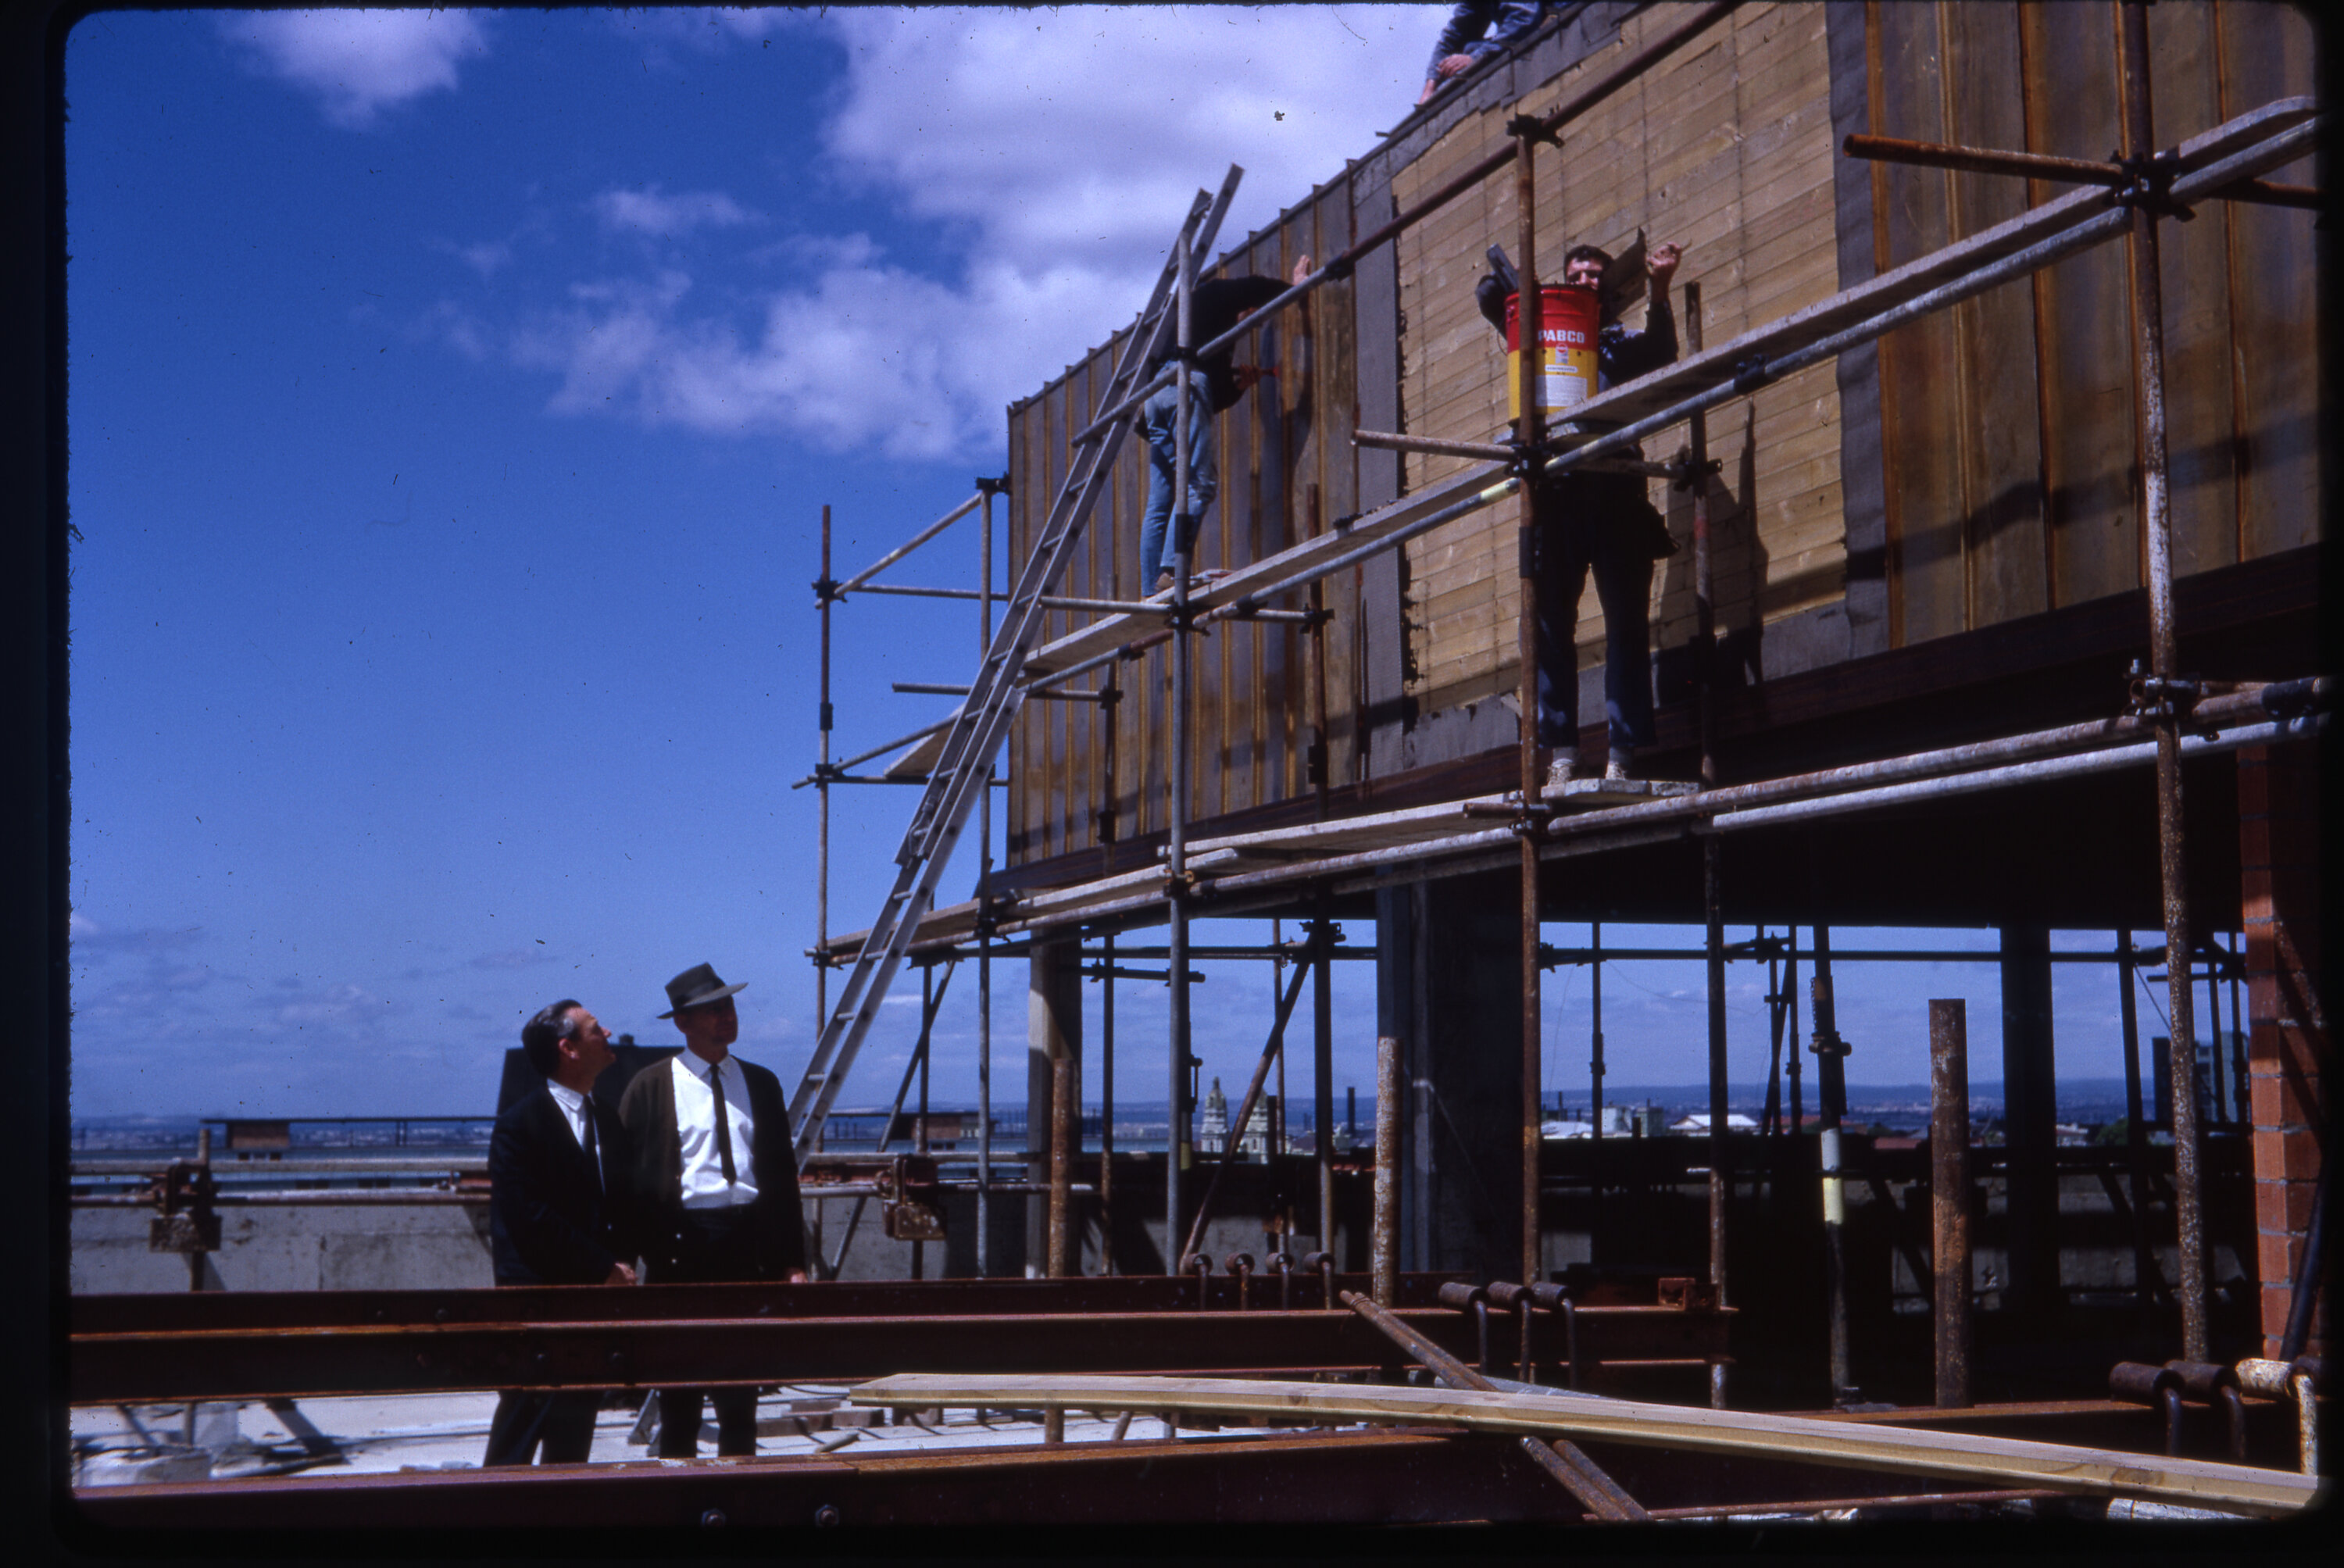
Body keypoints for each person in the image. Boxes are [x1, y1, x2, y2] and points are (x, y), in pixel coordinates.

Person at [1474, 239, 1684, 788]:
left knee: (1626, 627)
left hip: (1617, 490)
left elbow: (1663, 352)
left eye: (1596, 275)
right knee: (1547, 630)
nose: (1589, 281)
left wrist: (1660, 288)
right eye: (1579, 274)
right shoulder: (1543, 334)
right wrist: (1537, 297)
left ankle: (1621, 751)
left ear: (1610, 288)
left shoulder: (1618, 344)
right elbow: (1488, 293)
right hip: (1558, 494)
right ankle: (1563, 752)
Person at [617, 962, 808, 1459]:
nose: (727, 1017)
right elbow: (626, 1183)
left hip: (747, 1249)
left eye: (729, 1006)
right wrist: (623, 1257)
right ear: (683, 1023)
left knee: (741, 1399)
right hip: (680, 1251)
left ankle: (738, 1499)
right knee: (679, 1400)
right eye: (712, 1010)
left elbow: (782, 1179)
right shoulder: (652, 1086)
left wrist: (793, 1261)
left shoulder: (761, 1084)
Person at [484, 998, 634, 1467]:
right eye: (595, 1029)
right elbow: (530, 1216)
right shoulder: (519, 1126)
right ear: (567, 1048)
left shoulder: (607, 1120)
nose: (608, 1032)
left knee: (576, 1423)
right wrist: (603, 1267)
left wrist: (621, 1265)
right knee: (524, 1418)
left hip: (594, 1299)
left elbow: (621, 1203)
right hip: (539, 1301)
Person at [1138, 253, 1313, 595]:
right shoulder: (1213, 294)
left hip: (1156, 398)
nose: (1250, 319)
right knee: (1200, 484)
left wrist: (1239, 387)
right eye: (1249, 313)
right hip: (1185, 384)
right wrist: (1293, 289)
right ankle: (1170, 571)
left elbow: (1211, 402)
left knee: (1161, 499)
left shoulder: (1203, 336)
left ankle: (1151, 589)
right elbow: (1255, 288)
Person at [1418, 2, 1549, 106]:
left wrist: (1474, 58)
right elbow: (1454, 37)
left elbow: (1522, 21)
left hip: (1562, 23)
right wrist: (1430, 88)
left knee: (1474, 52)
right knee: (1470, 48)